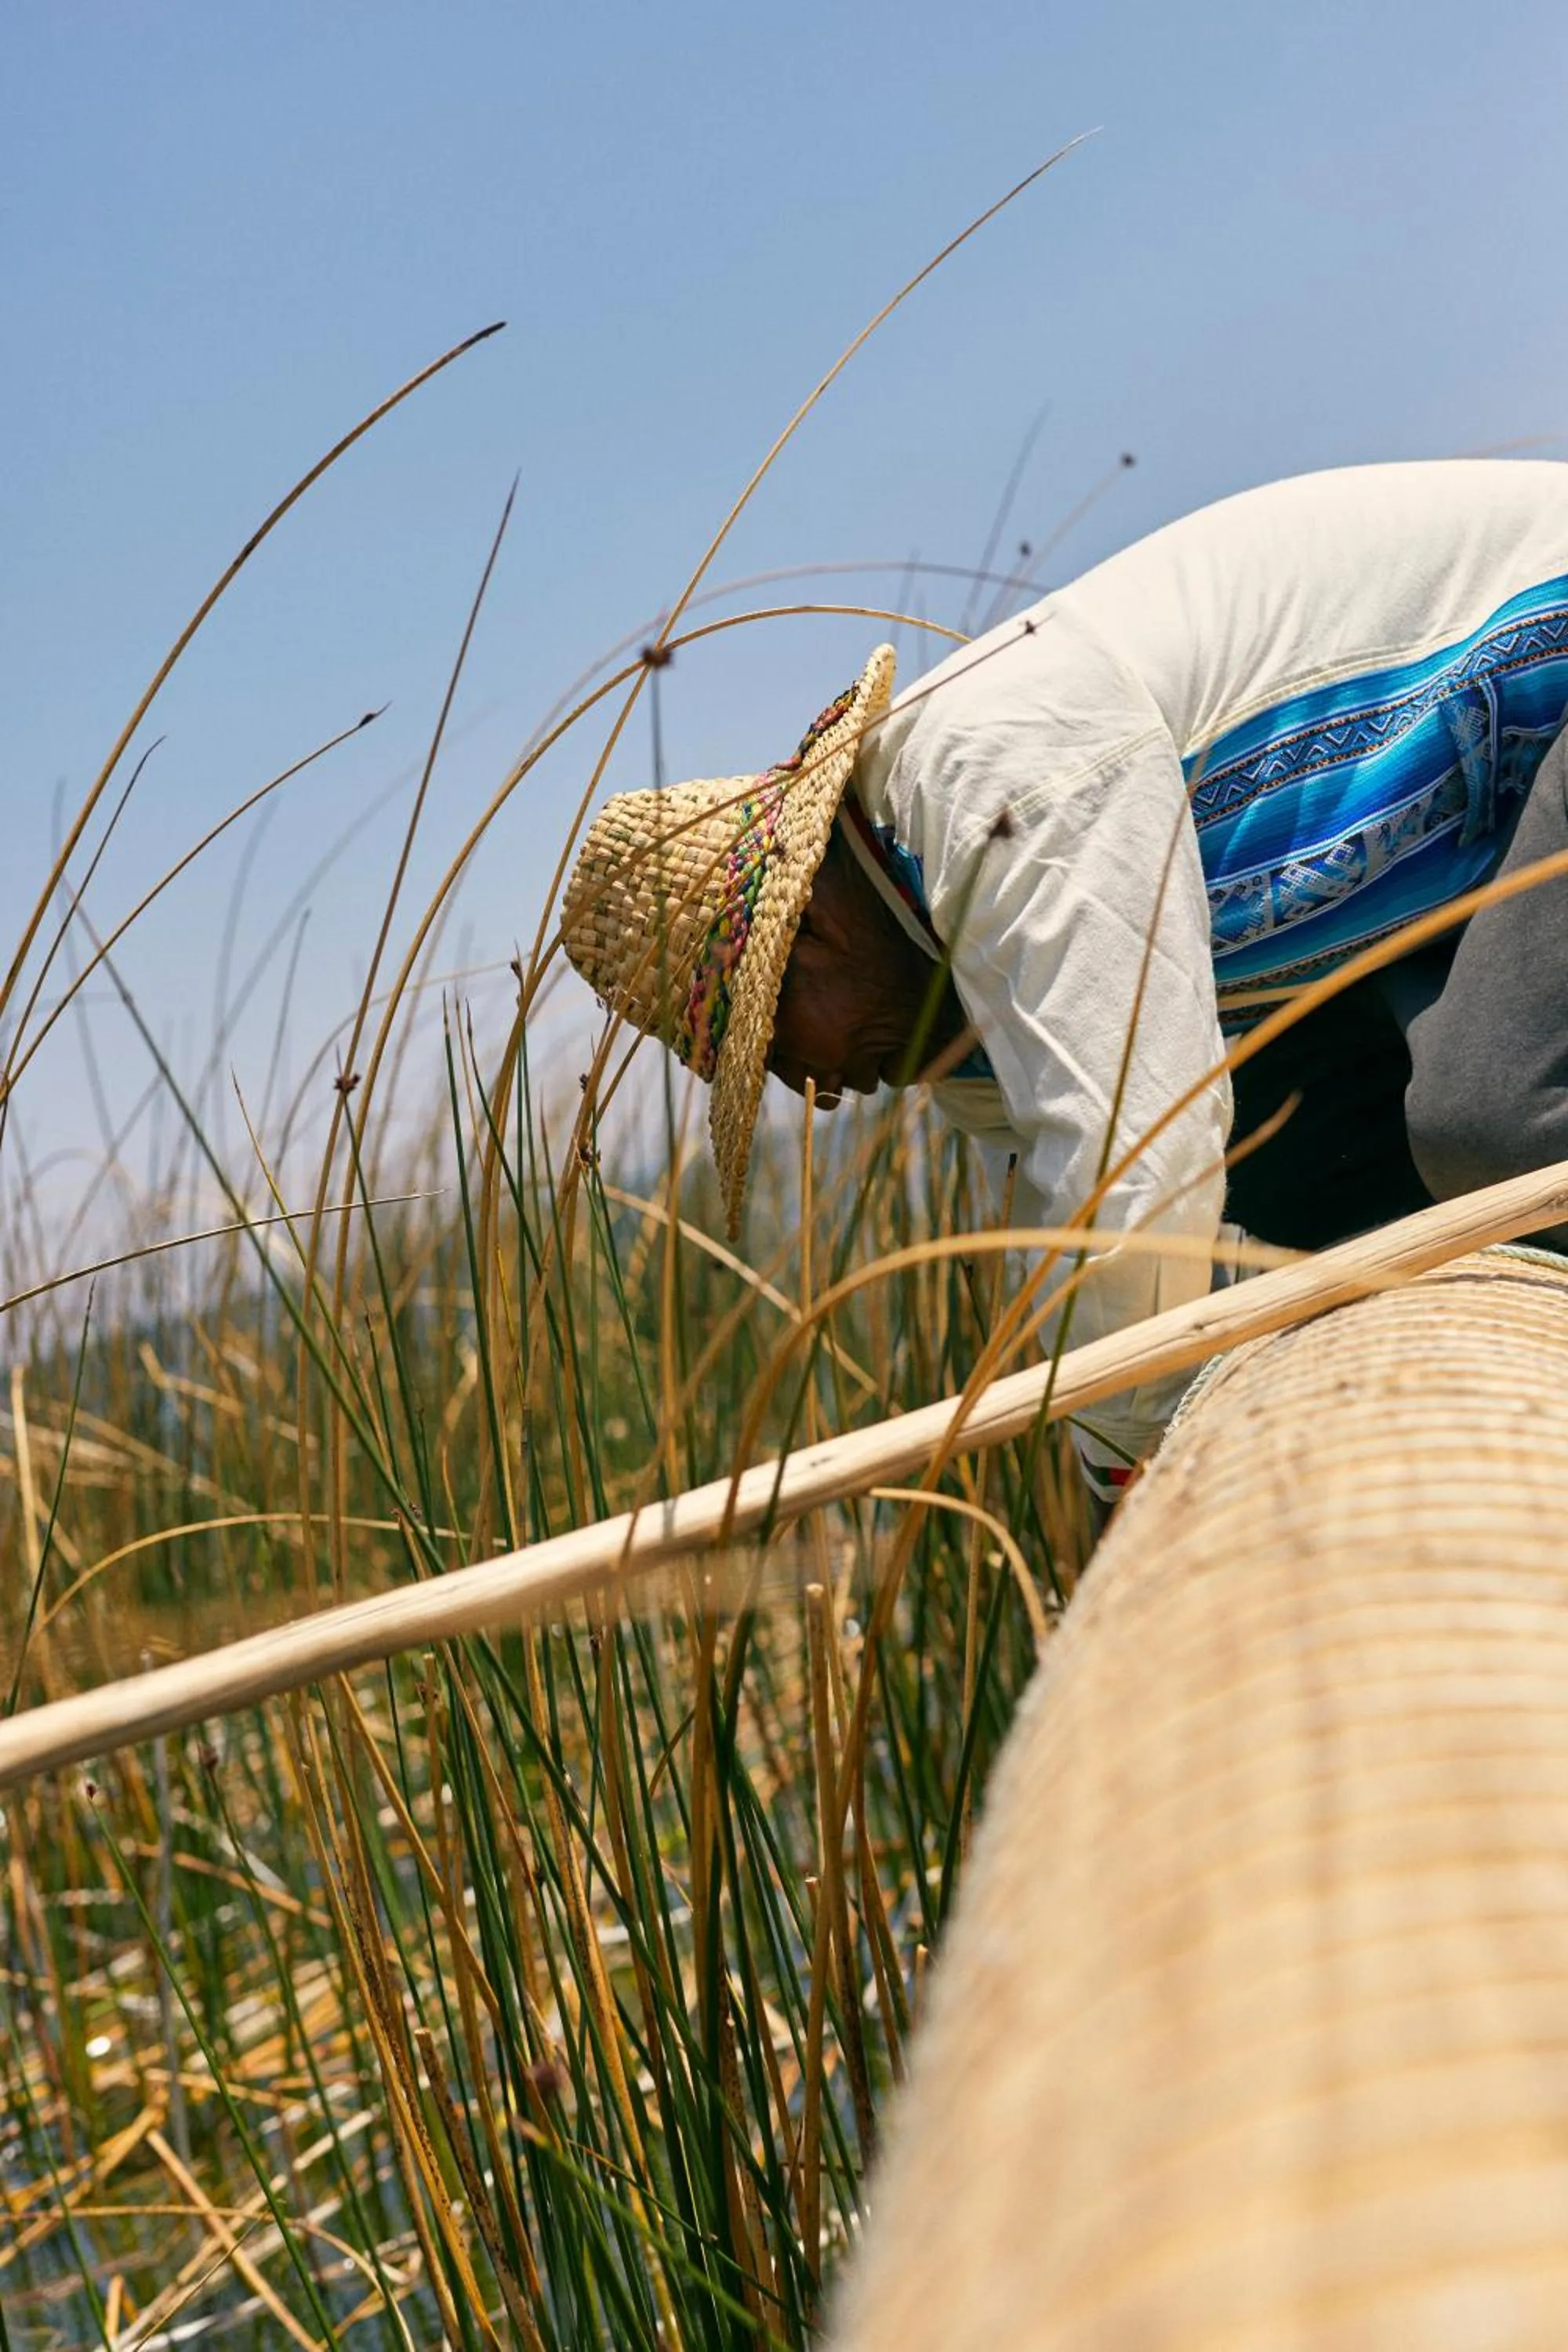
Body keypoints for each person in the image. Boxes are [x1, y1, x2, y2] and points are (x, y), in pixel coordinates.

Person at [562, 460, 1568, 1497]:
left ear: (811, 933)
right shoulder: (939, 1003)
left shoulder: (989, 776)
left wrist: (1126, 1476)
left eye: (774, 1049)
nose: (811, 1093)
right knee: (1302, 1195)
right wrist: (1129, 1459)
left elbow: (1136, 1178)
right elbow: (1071, 1249)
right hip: (1485, 855)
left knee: (1494, 1123)